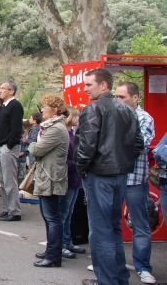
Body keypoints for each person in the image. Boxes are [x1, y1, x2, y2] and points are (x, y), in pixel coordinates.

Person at [77, 68, 143, 285]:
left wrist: (82, 169)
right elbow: (138, 144)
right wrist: (122, 161)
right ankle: (118, 278)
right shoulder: (127, 110)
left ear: (103, 85)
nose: (85, 89)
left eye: (88, 85)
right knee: (113, 227)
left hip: (100, 174)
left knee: (100, 230)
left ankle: (106, 280)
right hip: (120, 174)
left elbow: (86, 146)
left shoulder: (93, 109)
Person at [114, 81, 156, 284]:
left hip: (134, 179)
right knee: (110, 223)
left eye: (122, 97)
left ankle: (143, 267)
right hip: (113, 176)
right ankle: (109, 262)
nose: (118, 101)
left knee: (140, 225)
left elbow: (141, 146)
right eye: (116, 97)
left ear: (135, 97)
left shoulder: (144, 118)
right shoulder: (113, 116)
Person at [30, 95, 69, 268]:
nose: (42, 110)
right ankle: (51, 251)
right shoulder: (53, 127)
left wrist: (31, 145)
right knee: (49, 217)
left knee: (52, 218)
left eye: (45, 107)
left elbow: (37, 149)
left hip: (52, 177)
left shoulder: (56, 129)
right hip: (49, 175)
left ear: (55, 110)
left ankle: (54, 255)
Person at [0, 80, 24, 222]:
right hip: (0, 146)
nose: (0, 91)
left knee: (10, 180)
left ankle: (14, 211)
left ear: (11, 91)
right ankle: (7, 209)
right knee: (3, 180)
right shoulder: (4, 106)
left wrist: (10, 145)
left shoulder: (15, 105)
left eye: (3, 88)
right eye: (0, 88)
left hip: (7, 147)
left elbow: (16, 128)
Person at [60, 106, 85, 259]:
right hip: (69, 177)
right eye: (77, 116)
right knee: (63, 213)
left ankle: (68, 240)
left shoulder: (73, 134)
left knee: (69, 212)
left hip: (76, 178)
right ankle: (62, 244)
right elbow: (64, 160)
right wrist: (79, 164)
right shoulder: (65, 135)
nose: (79, 119)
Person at [19, 112, 42, 184]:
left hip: (32, 150)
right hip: (31, 149)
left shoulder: (35, 129)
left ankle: (32, 183)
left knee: (32, 168)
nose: (29, 119)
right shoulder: (35, 128)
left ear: (34, 121)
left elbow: (33, 140)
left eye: (30, 118)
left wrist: (26, 140)